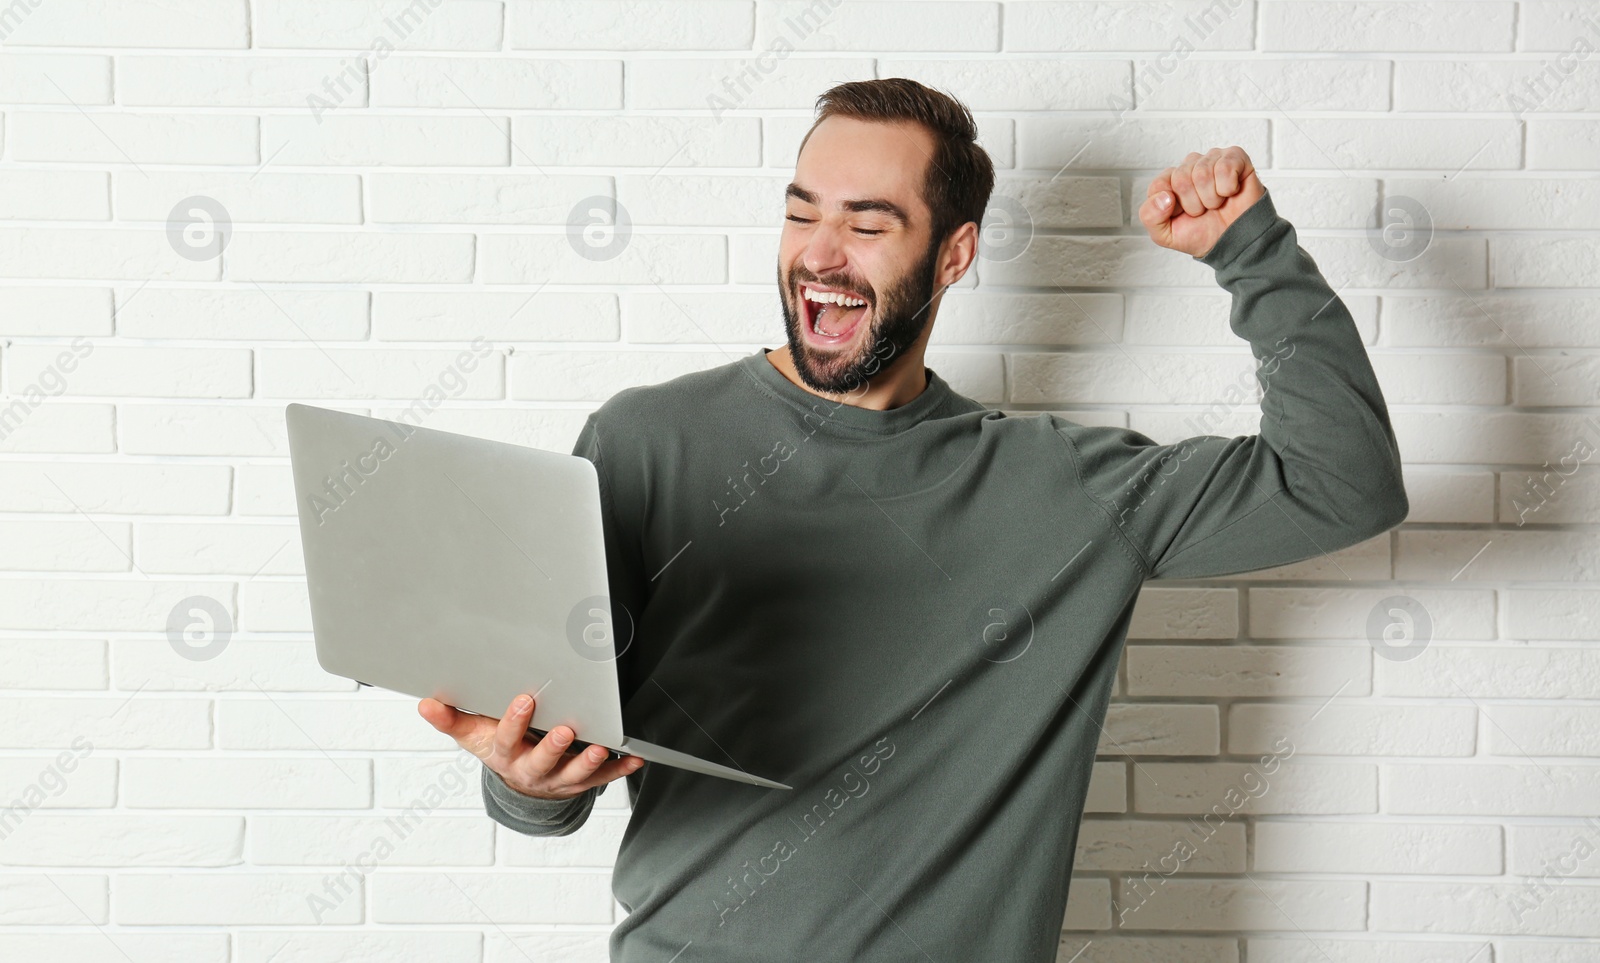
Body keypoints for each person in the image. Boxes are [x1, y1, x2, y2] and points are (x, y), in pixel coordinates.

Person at [418, 77, 1408, 962]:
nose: (819, 250)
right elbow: (549, 778)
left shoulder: (1070, 489)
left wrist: (1251, 251)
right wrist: (529, 780)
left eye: (868, 222)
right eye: (802, 212)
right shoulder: (646, 441)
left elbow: (1341, 481)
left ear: (953, 253)